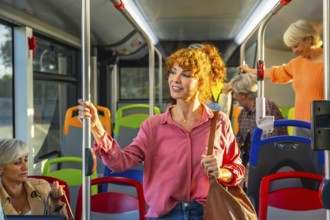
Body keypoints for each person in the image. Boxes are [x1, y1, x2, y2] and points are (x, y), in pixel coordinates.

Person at [78, 43, 245, 219]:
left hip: (207, 212)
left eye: (185, 75)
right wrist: (96, 126)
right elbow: (120, 162)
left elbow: (238, 169)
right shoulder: (153, 126)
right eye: (173, 72)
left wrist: (221, 172)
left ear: (201, 82)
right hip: (165, 214)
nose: (175, 79)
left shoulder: (218, 122)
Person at [239, 19, 324, 137]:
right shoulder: (296, 63)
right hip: (300, 125)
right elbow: (275, 73)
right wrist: (251, 71)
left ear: (308, 39)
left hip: (323, 125)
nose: (294, 51)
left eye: (296, 46)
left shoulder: (326, 62)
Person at [0, 138, 68, 218]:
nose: (25, 167)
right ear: (1, 169)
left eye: (26, 160)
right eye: (17, 162)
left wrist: (55, 203)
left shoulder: (42, 186)